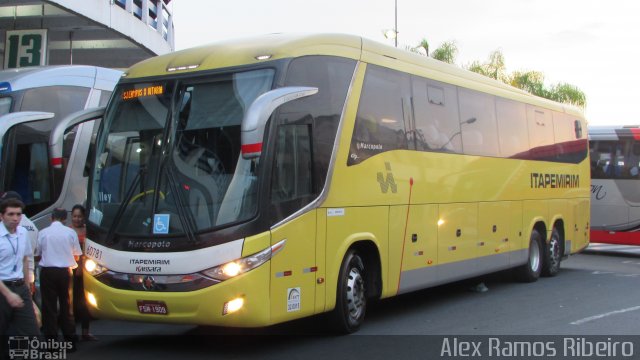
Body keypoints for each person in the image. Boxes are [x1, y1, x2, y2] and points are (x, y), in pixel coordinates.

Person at [35, 208, 81, 346]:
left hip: (47, 272)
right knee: (67, 305)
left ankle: (51, 341)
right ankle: (70, 338)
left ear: (51, 218)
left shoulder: (43, 233)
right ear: (65, 219)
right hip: (65, 272)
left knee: (49, 307)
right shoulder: (70, 232)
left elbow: (38, 254)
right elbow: (77, 255)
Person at [0, 198, 40, 339]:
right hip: (2, 288)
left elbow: (25, 259)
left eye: (18, 214)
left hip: (20, 286)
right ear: (1, 216)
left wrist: (27, 288)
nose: (15, 218)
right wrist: (8, 294)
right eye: (10, 214)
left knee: (31, 333)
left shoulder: (23, 232)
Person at [0, 191, 39, 297]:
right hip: (27, 277)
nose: (15, 218)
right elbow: (34, 253)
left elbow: (25, 257)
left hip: (19, 279)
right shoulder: (32, 226)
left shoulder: (19, 229)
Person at [69, 205, 96, 341]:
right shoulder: (68, 231)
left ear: (84, 217)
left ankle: (85, 332)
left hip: (86, 271)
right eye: (74, 216)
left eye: (79, 216)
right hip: (70, 271)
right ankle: (72, 333)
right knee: (71, 303)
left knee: (84, 302)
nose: (77, 219)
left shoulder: (88, 231)